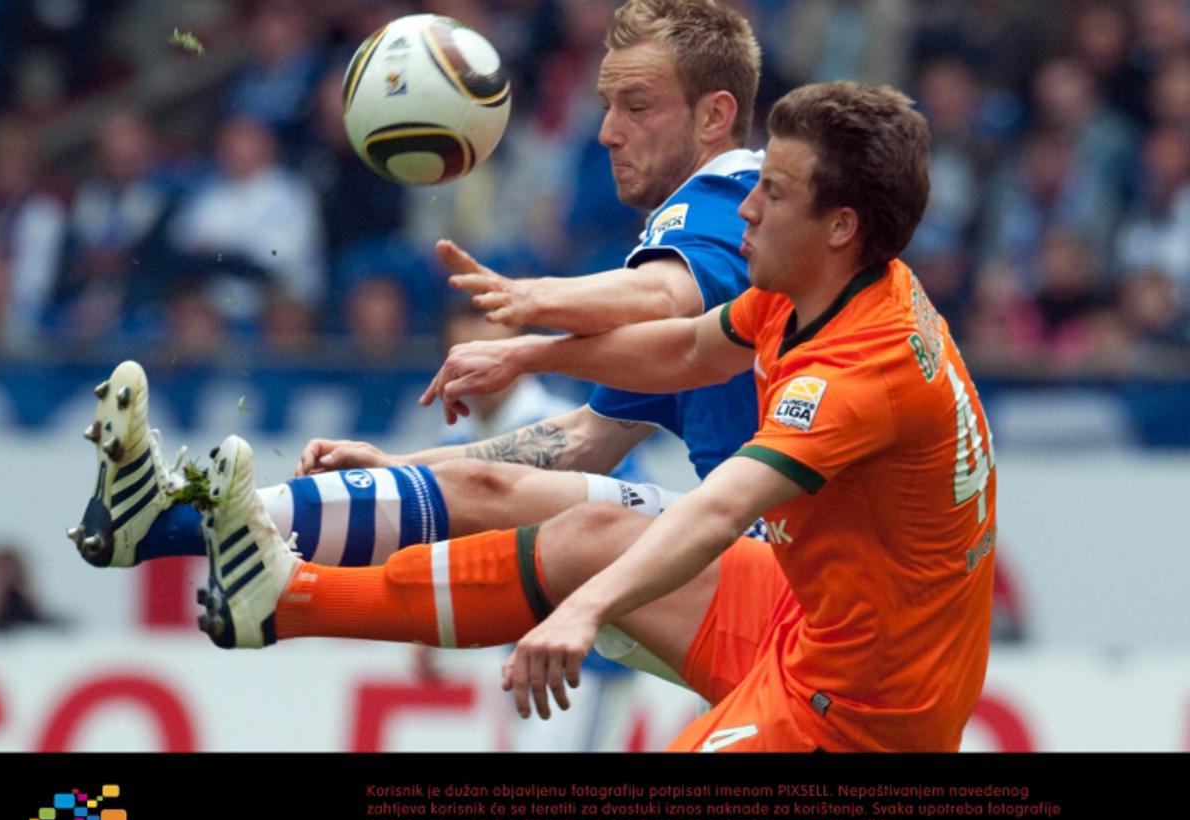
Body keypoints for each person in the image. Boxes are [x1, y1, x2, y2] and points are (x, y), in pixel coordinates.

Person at [191, 80, 996, 753]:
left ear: (841, 227)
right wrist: (529, 355)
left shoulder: (861, 369)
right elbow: (686, 348)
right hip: (819, 619)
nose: (746, 208)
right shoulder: (825, 287)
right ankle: (287, 599)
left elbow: (720, 511)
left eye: (773, 192)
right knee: (586, 535)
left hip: (869, 714)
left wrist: (585, 610)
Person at [71, 0, 763, 665]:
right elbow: (580, 441)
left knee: (588, 537)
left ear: (715, 116)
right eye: (608, 105)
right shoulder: (707, 238)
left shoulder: (739, 196)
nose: (608, 131)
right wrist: (401, 468)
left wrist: (531, 300)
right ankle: (166, 521)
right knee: (495, 494)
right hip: (760, 561)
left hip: (809, 589)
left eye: (636, 107)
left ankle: (289, 599)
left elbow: (668, 295)